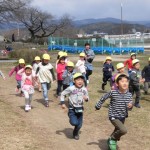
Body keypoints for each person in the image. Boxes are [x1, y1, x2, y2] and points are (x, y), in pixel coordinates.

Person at [95, 74, 133, 150]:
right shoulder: (113, 92)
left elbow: (130, 107)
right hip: (113, 116)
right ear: (117, 84)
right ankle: (112, 139)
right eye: (122, 81)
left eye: (126, 81)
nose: (125, 83)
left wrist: (130, 106)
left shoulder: (129, 95)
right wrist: (98, 106)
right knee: (123, 130)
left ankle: (111, 141)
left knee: (117, 130)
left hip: (122, 116)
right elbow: (103, 97)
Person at [60, 73, 89, 140]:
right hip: (72, 109)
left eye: (82, 80)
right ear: (74, 81)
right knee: (74, 122)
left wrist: (86, 98)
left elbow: (87, 97)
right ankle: (70, 116)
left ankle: (75, 133)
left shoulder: (84, 89)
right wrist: (62, 103)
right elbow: (62, 94)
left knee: (79, 125)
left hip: (80, 109)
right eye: (78, 80)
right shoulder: (71, 88)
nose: (80, 81)